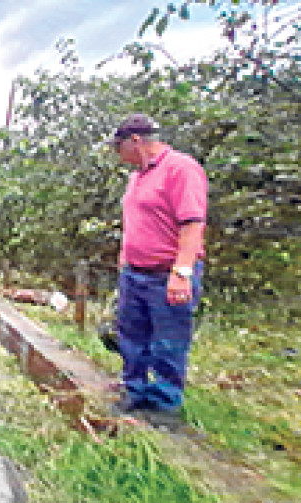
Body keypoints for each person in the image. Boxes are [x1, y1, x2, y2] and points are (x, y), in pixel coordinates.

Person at [108, 113, 208, 414]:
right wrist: (125, 257)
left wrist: (182, 272)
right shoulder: (137, 176)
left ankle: (165, 405)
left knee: (169, 343)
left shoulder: (180, 169)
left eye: (118, 146)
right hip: (135, 274)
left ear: (135, 141)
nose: (117, 154)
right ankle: (135, 393)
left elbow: (192, 223)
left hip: (167, 273)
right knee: (131, 338)